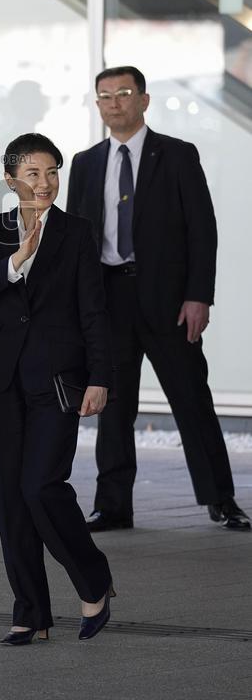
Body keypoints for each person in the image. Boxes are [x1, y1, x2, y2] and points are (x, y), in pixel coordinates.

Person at [67, 65, 250, 533]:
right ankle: (112, 505)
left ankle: (220, 499)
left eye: (124, 93)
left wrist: (198, 297)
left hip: (169, 302)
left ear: (144, 100)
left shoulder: (178, 155)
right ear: (97, 105)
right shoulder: (85, 163)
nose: (114, 103)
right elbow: (77, 241)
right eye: (105, 96)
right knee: (113, 407)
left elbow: (202, 231)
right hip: (108, 300)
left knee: (191, 399)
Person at [0, 133, 115, 644]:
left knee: (41, 486)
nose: (45, 182)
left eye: (52, 172)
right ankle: (31, 611)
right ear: (11, 180)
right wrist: (15, 261)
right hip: (1, 377)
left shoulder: (77, 233)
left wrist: (99, 376)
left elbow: (94, 309)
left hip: (57, 379)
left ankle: (93, 578)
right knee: (10, 497)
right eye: (33, 174)